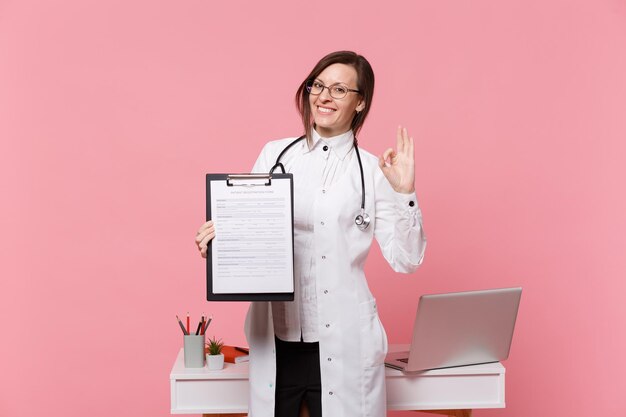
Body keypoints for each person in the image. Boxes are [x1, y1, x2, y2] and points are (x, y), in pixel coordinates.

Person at [195, 50, 426, 417]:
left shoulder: (373, 170)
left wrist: (404, 194)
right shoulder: (275, 154)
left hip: (345, 341)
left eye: (338, 89)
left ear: (360, 102)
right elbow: (253, 234)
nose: (323, 96)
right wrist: (221, 246)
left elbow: (407, 259)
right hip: (278, 340)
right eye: (317, 85)